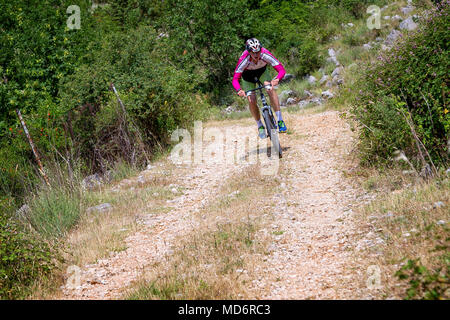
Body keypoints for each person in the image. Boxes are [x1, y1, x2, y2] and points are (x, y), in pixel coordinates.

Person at [232, 38, 287, 138]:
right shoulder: (244, 60)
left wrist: (277, 79)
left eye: (258, 51)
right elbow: (235, 79)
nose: (256, 55)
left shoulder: (265, 54)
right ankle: (260, 126)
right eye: (253, 52)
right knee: (251, 99)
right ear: (249, 52)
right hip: (247, 77)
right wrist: (239, 90)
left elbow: (281, 70)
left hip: (262, 72)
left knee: (269, 88)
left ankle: (280, 120)